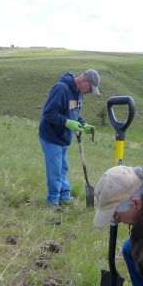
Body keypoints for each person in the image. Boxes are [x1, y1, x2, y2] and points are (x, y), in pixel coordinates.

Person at [38, 69, 100, 208]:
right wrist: (67, 122)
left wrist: (84, 124)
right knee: (55, 170)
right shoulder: (61, 89)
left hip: (64, 138)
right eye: (91, 88)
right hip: (51, 136)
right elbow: (48, 112)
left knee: (62, 168)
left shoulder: (78, 93)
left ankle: (65, 196)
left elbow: (74, 114)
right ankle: (52, 200)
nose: (90, 92)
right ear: (84, 81)